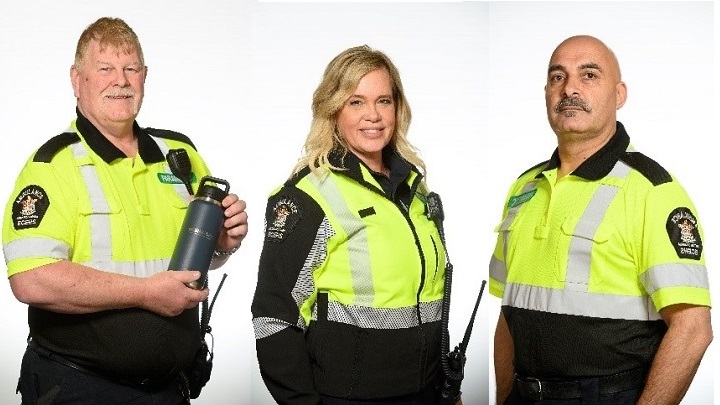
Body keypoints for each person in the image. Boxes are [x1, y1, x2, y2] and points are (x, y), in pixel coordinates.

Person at [2, 17, 248, 404]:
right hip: (78, 387)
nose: (120, 80)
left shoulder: (179, 155)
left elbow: (200, 261)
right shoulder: (53, 165)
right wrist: (145, 294)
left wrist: (223, 242)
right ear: (77, 79)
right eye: (105, 69)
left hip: (170, 388)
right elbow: (31, 279)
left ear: (144, 76)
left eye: (130, 69)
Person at [489, 35, 712, 405]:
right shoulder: (523, 188)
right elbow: (510, 315)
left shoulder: (653, 190)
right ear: (546, 91)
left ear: (619, 95)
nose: (570, 88)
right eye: (557, 77)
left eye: (589, 75)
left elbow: (693, 329)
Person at [251, 45, 459, 404]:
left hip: (428, 392)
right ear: (333, 111)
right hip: (349, 397)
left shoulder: (415, 189)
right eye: (356, 102)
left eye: (384, 101)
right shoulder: (308, 195)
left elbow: (430, 299)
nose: (374, 115)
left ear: (398, 108)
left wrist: (449, 387)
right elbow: (274, 315)